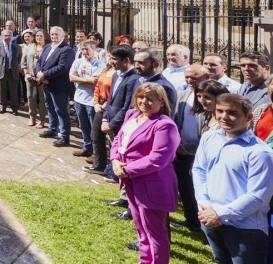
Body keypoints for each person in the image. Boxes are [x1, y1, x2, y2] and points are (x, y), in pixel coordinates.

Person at [193, 93, 273, 264]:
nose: (224, 117)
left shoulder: (260, 152)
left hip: (245, 229)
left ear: (249, 117)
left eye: (232, 113)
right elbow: (199, 171)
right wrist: (205, 204)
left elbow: (257, 197)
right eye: (220, 111)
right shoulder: (209, 137)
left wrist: (219, 213)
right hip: (211, 219)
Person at [110, 82, 180, 264]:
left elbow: (158, 158)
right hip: (130, 181)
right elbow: (118, 140)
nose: (144, 102)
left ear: (161, 101)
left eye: (150, 99)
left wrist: (126, 170)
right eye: (141, 97)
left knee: (155, 232)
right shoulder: (132, 115)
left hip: (152, 184)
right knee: (140, 227)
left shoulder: (165, 125)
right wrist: (115, 160)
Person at [172, 64, 210, 231]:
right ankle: (191, 220)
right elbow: (175, 119)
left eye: (194, 78)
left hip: (201, 152)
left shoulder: (210, 97)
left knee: (200, 189)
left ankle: (204, 223)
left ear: (205, 77)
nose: (189, 81)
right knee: (185, 187)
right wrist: (176, 141)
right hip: (183, 150)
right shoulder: (182, 94)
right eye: (187, 77)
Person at [36, 26, 76, 147]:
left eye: (56, 35)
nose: (54, 37)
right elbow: (39, 61)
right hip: (46, 84)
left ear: (62, 36)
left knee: (61, 110)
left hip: (59, 85)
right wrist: (39, 73)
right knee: (50, 107)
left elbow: (62, 67)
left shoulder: (66, 50)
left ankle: (64, 136)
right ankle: (53, 129)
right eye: (52, 34)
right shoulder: (48, 46)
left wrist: (45, 75)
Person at [69, 40, 105, 158]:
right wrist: (86, 80)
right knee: (83, 126)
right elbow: (71, 78)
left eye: (87, 49)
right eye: (82, 49)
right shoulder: (78, 61)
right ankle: (87, 147)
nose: (84, 52)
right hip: (79, 99)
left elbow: (95, 82)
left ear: (94, 49)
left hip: (91, 101)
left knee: (93, 129)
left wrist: (79, 79)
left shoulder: (100, 65)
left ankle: (96, 152)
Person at [0, 28, 23, 114]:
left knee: (14, 90)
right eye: (5, 35)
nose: (7, 37)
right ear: (2, 36)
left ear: (11, 36)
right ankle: (3, 106)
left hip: (12, 71)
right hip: (1, 71)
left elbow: (19, 58)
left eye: (9, 35)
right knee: (2, 90)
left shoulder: (16, 47)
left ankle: (15, 107)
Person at [21, 30, 46, 127]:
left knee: (42, 99)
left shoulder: (47, 47)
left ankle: (42, 119)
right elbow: (23, 62)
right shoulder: (29, 46)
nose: (38, 38)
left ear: (45, 37)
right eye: (37, 36)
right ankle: (32, 117)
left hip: (43, 78)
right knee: (31, 97)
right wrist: (26, 73)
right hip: (30, 77)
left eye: (41, 36)